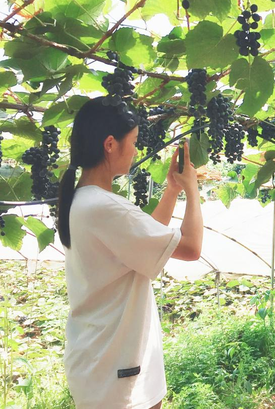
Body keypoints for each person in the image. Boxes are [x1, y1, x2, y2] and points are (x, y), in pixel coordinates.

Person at [57, 97, 204, 409]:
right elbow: (191, 248)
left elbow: (142, 236)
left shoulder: (83, 200)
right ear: (110, 144)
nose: (137, 150)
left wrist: (172, 191)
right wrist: (193, 189)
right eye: (134, 142)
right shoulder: (104, 207)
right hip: (115, 368)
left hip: (102, 359)